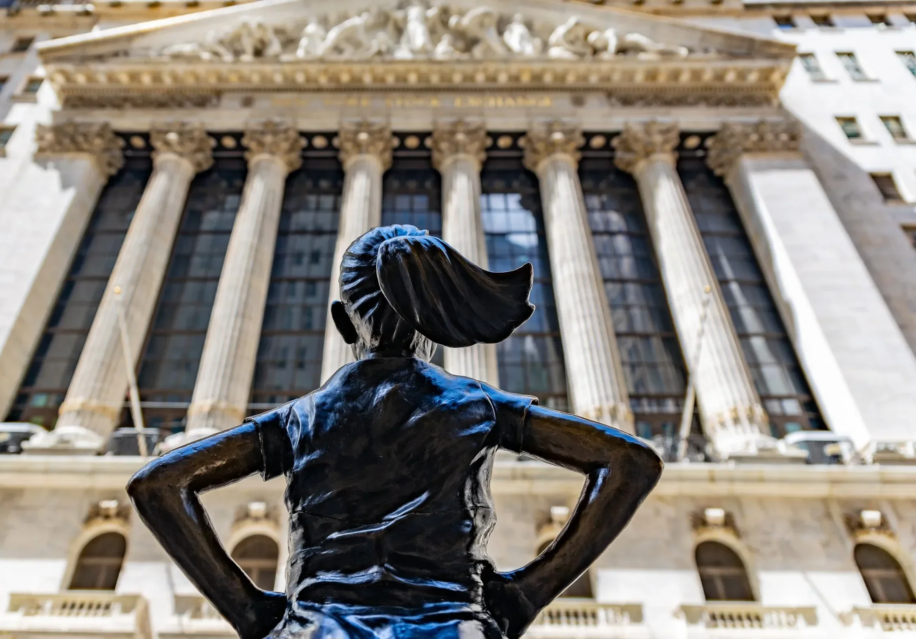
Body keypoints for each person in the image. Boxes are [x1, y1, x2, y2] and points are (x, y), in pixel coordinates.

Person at [128, 225, 663, 639]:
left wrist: (247, 609)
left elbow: (158, 484)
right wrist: (530, 590)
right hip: (450, 627)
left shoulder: (303, 418)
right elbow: (630, 461)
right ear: (434, 321)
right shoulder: (475, 406)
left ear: (343, 323)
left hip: (319, 627)